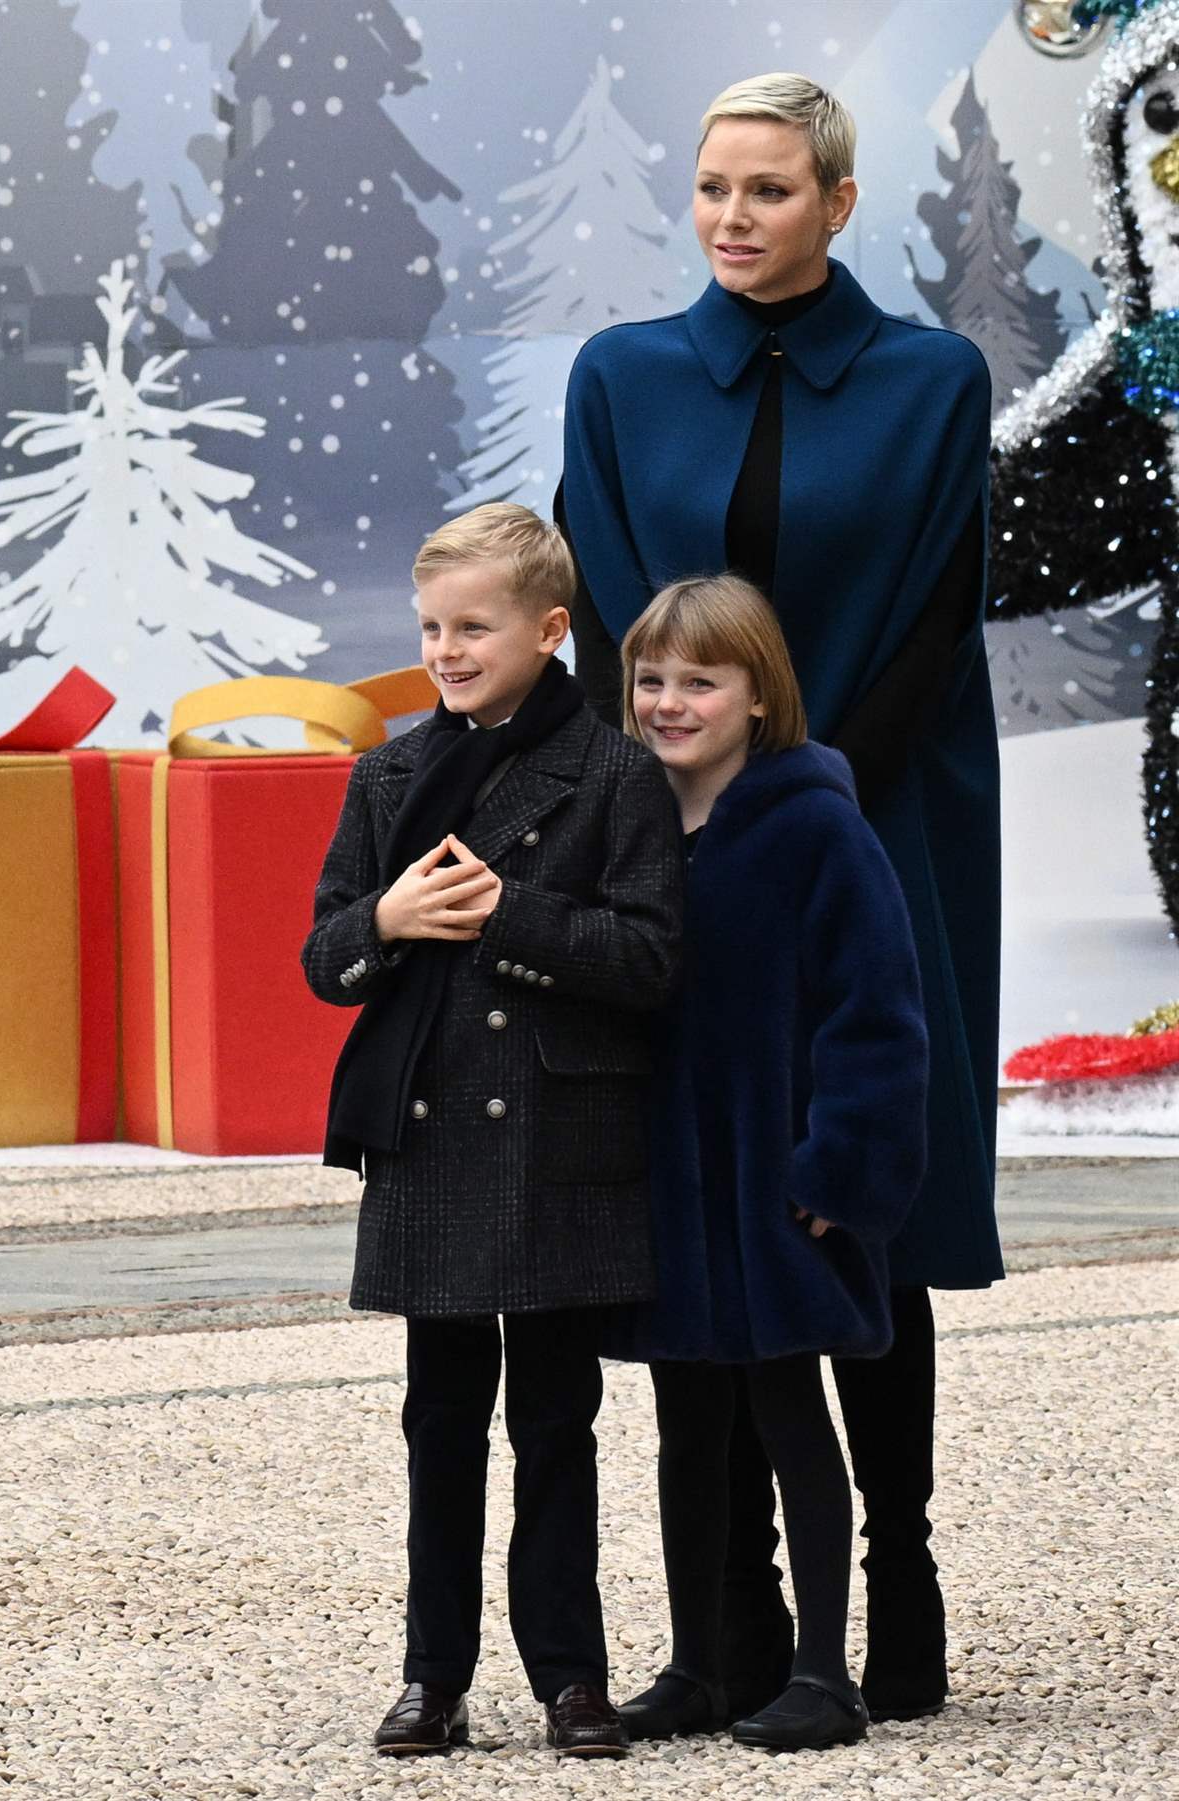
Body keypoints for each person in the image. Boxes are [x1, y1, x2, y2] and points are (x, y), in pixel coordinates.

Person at [558, 70, 1003, 1724]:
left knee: (860, 1207)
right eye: (711, 189)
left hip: (872, 825)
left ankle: (904, 1580)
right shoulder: (619, 380)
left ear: (836, 199)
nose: (734, 218)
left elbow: (939, 613)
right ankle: (734, 1626)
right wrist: (660, 805)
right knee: (700, 1209)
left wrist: (805, 790)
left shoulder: (932, 382)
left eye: (769, 190)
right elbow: (610, 593)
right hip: (669, 835)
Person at [301, 502, 684, 1760]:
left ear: (551, 629)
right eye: (429, 628)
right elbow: (323, 955)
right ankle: (433, 1678)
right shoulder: (388, 772)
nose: (447, 650)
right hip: (429, 1140)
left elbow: (648, 960)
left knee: (558, 1426)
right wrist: (392, 920)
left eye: (474, 626)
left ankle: (573, 1676)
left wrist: (507, 913)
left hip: (561, 1142)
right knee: (439, 1422)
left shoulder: (619, 773)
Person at [605, 574, 928, 1752]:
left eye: (702, 681)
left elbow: (879, 1017)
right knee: (687, 1424)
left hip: (775, 1185)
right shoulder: (631, 823)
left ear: (757, 697)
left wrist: (837, 1172)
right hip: (670, 1187)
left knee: (791, 1414)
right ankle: (702, 1662)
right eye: (653, 679)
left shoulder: (816, 827)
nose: (670, 702)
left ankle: (824, 1673)